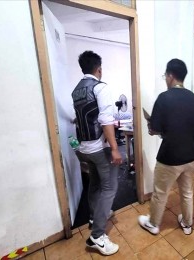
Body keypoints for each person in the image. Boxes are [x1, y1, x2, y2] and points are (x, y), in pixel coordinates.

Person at [138, 59, 194, 235]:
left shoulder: (164, 98)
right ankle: (187, 223)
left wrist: (150, 126)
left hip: (169, 158)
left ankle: (153, 223)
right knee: (187, 192)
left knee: (160, 192)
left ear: (170, 76)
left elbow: (155, 129)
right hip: (191, 157)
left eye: (165, 76)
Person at [72, 51, 122, 255]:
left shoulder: (76, 90)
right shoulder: (100, 87)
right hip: (99, 148)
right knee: (109, 188)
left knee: (94, 184)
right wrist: (116, 149)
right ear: (99, 69)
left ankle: (94, 217)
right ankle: (97, 236)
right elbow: (105, 120)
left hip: (83, 148)